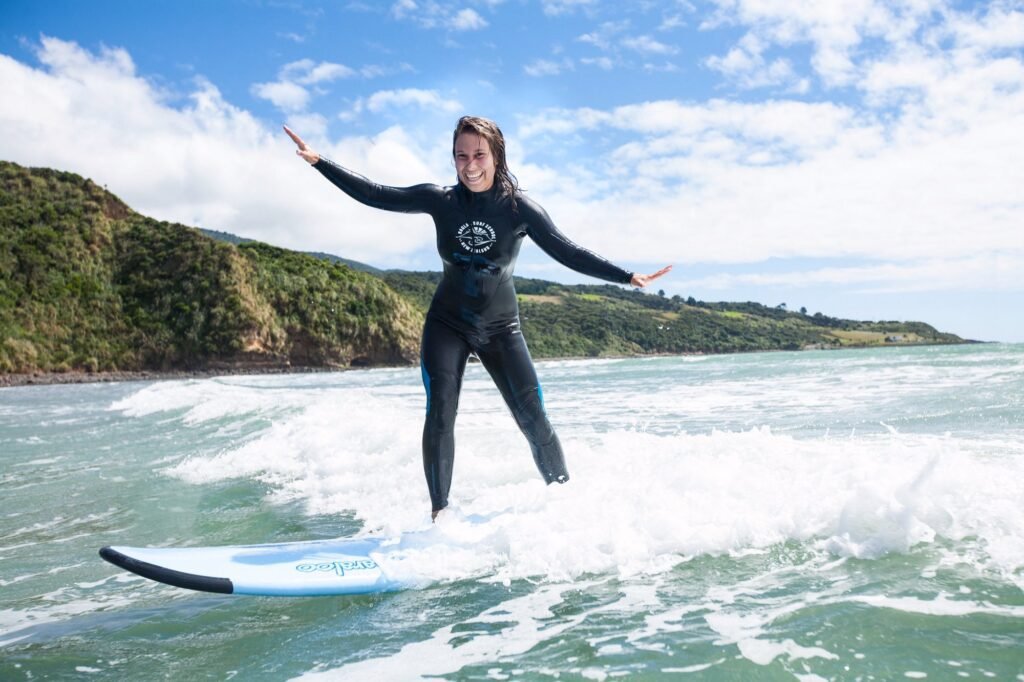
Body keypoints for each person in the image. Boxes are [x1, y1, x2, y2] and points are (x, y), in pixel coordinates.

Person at [285, 117, 671, 520]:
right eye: (461, 155)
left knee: (533, 418)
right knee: (440, 412)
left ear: (497, 156)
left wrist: (626, 276)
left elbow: (568, 252)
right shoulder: (441, 200)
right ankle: (440, 515)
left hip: (502, 328)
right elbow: (376, 194)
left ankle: (567, 506)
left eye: (479, 155)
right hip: (447, 323)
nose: (470, 165)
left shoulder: (519, 209)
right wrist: (319, 161)